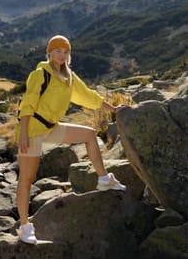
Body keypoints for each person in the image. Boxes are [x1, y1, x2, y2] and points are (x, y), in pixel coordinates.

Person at [15, 35, 130, 244]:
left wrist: (113, 109)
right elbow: (28, 103)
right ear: (49, 53)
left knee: (88, 134)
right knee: (27, 179)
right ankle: (24, 227)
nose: (62, 55)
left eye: (66, 51)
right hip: (31, 129)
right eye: (58, 51)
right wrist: (23, 133)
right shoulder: (41, 74)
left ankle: (104, 180)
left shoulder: (69, 77)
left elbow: (88, 96)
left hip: (50, 127)